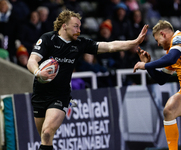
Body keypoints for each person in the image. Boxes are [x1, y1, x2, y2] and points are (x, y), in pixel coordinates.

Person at [27, 9, 148, 150]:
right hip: (40, 94)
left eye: (80, 26)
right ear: (64, 26)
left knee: (47, 133)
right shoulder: (48, 39)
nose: (79, 29)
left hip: (60, 95)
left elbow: (110, 46)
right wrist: (38, 72)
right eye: (75, 26)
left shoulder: (80, 43)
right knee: (44, 138)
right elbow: (31, 60)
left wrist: (134, 42)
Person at [133, 20, 181, 150]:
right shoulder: (172, 51)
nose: (158, 44)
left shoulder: (180, 38)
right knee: (169, 111)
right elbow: (161, 79)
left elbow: (171, 59)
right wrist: (149, 66)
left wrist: (145, 65)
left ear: (163, 34)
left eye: (158, 40)